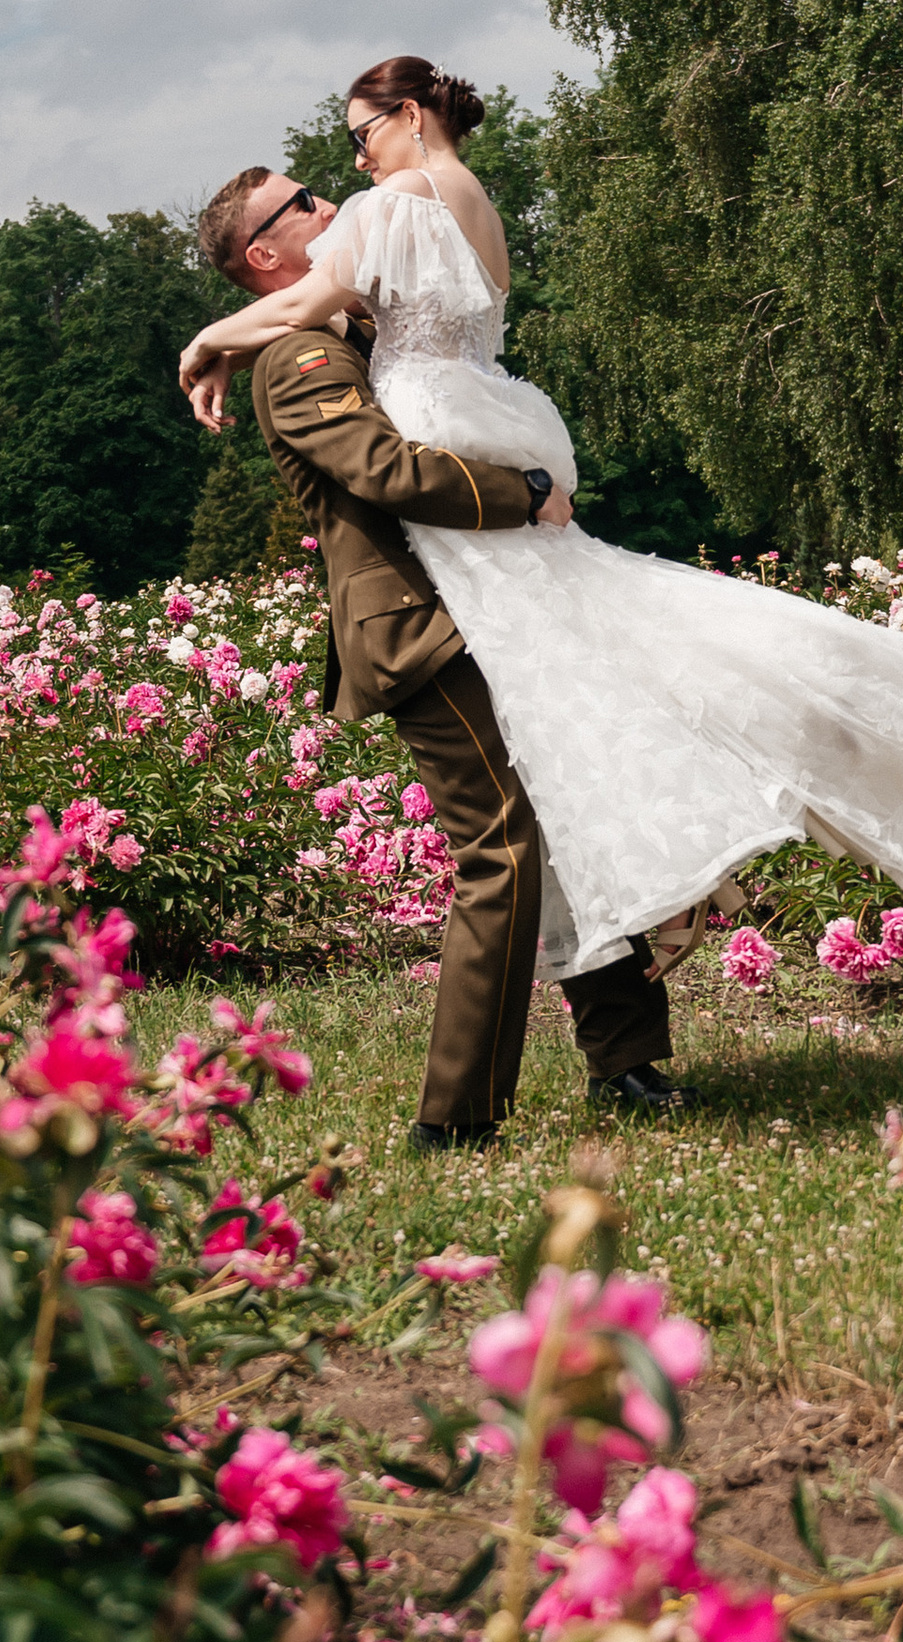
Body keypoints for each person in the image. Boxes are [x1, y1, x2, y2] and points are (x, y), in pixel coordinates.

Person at [185, 54, 903, 1008]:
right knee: (608, 687)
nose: (346, 175)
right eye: (314, 186)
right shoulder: (468, 203)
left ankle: (641, 897)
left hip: (462, 467)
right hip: (487, 425)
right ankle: (654, 921)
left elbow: (308, 319)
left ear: (409, 115)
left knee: (565, 743)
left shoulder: (390, 208)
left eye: (357, 137)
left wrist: (206, 338)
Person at [191, 157, 694, 1149]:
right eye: (303, 204)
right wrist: (527, 487)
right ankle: (454, 1120)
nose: (329, 204)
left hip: (482, 606)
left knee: (564, 815)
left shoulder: (357, 331)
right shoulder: (296, 360)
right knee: (501, 849)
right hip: (421, 628)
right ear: (267, 253)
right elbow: (383, 472)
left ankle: (627, 1064)